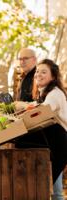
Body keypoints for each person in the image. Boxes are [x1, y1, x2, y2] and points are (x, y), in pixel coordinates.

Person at [32, 59, 67, 200]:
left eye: (43, 72)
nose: (38, 74)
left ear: (53, 77)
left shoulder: (54, 94)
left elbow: (42, 114)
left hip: (60, 144)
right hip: (53, 145)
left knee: (54, 191)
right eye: (37, 71)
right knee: (54, 189)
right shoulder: (45, 93)